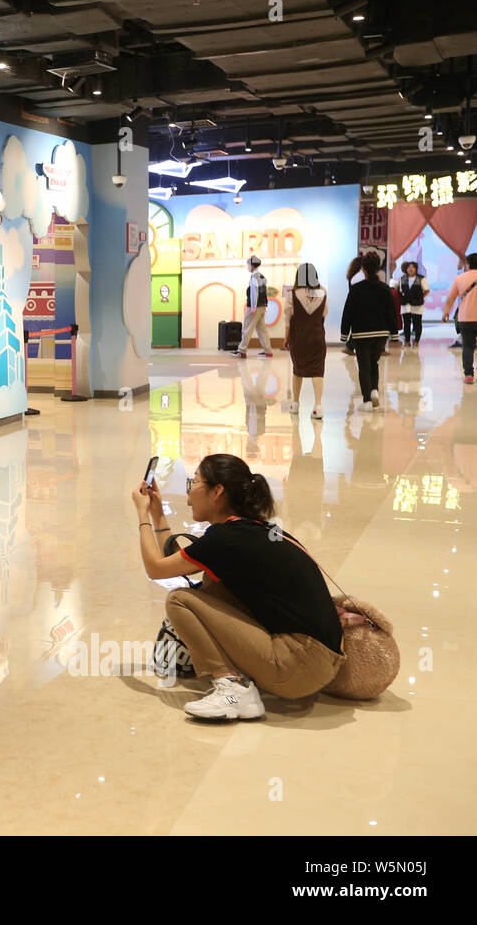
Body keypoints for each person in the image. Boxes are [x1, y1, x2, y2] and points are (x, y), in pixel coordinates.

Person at [132, 454, 351, 720]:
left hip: (297, 667)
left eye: (194, 482)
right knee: (211, 584)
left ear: (217, 491)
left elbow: (156, 568)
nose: (188, 495)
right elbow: (173, 562)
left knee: (179, 600)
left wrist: (142, 514)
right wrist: (158, 515)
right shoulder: (253, 531)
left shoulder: (226, 540)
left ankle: (234, 689)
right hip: (321, 662)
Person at [340, 252, 397, 411]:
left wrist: (344, 334)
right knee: (374, 363)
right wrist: (394, 334)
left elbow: (348, 312)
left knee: (363, 367)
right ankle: (374, 391)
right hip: (380, 334)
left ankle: (366, 401)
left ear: (363, 268)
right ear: (378, 268)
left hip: (361, 335)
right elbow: (391, 312)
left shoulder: (356, 289)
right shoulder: (385, 289)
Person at [282, 262, 327, 419]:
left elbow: (287, 320)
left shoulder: (291, 295)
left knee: (297, 369)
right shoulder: (322, 292)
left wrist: (286, 338)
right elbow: (324, 314)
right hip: (317, 337)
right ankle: (318, 406)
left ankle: (295, 404)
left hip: (298, 338)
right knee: (317, 371)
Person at [441, 252, 477, 385]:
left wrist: (446, 312)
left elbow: (451, 298)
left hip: (466, 318)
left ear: (467, 264)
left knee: (467, 346)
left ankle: (468, 375)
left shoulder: (460, 278)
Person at [232, 254, 273, 358]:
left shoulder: (254, 277)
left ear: (252, 265)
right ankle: (268, 351)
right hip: (262, 306)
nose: (247, 267)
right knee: (262, 329)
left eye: (248, 264)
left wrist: (253, 307)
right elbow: (263, 292)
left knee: (247, 328)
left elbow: (254, 293)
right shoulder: (262, 276)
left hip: (254, 307)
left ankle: (241, 351)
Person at [397, 261, 429, 347]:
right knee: (406, 323)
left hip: (417, 304)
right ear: (406, 269)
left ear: (416, 269)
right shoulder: (402, 278)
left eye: (413, 267)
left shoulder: (421, 278)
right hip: (405, 304)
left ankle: (416, 341)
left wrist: (420, 297)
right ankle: (407, 341)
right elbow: (399, 291)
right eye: (408, 267)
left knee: (417, 323)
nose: (410, 269)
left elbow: (426, 290)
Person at [342, 255, 363, 356]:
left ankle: (350, 346)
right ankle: (349, 346)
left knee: (356, 327)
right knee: (358, 328)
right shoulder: (358, 278)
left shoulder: (353, 277)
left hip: (354, 305)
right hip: (359, 305)